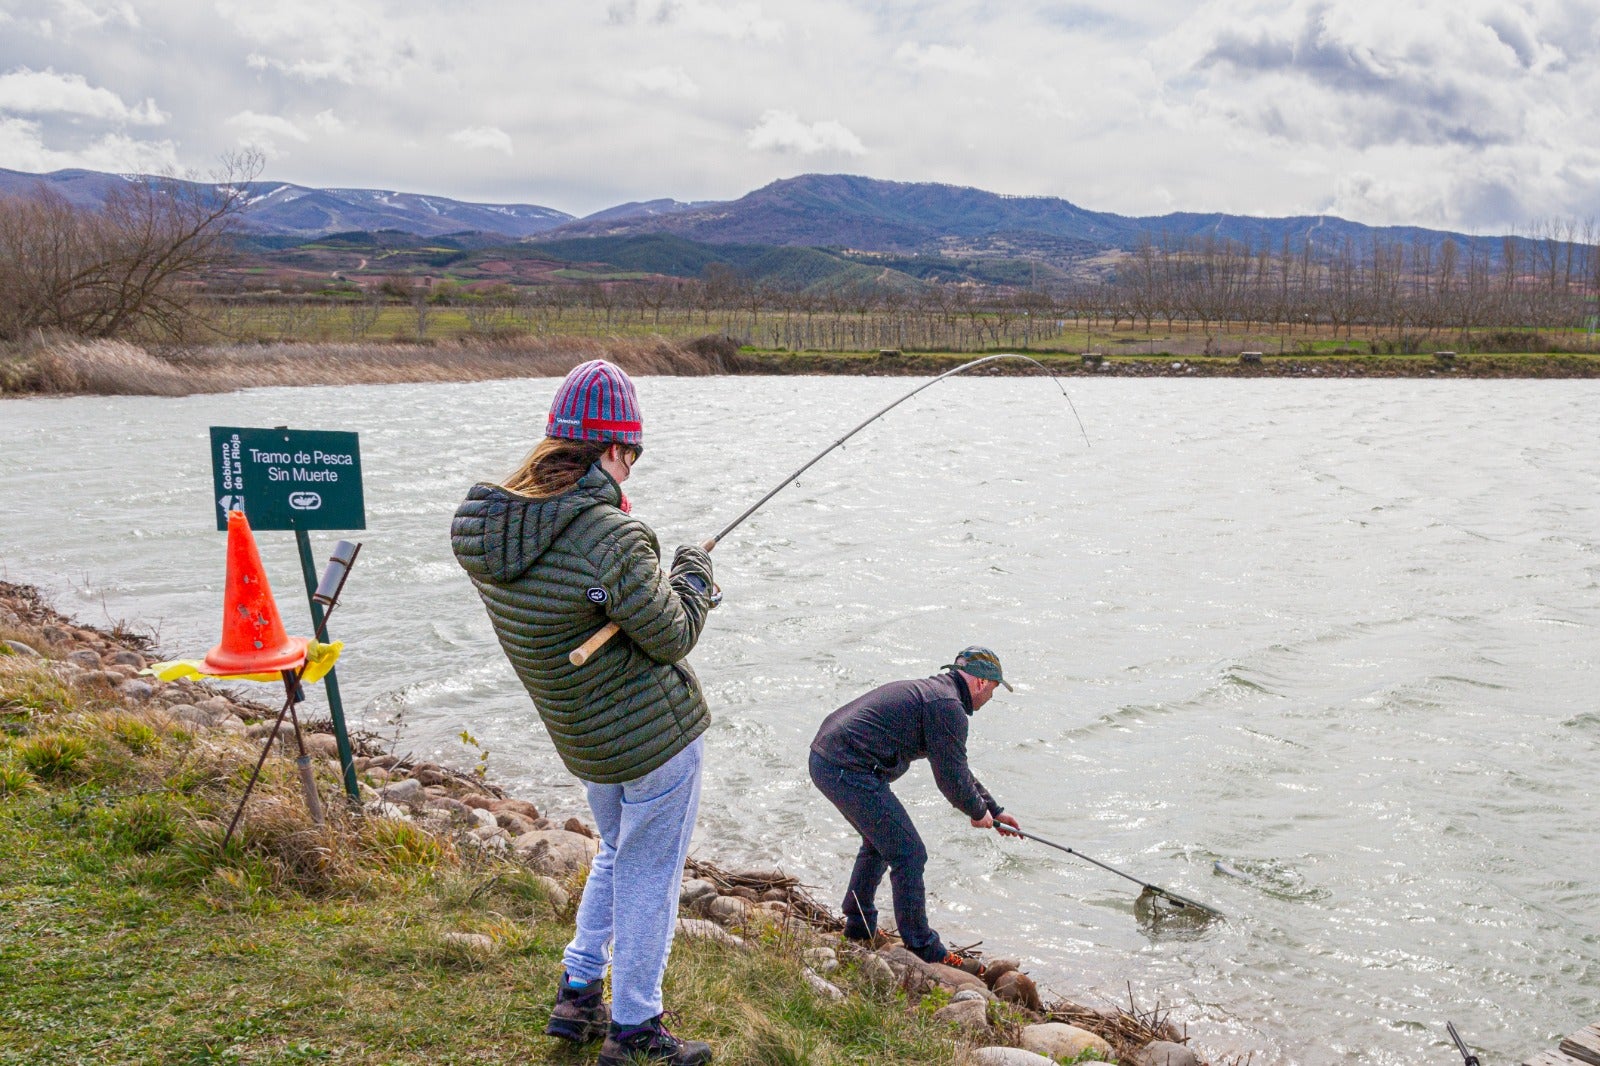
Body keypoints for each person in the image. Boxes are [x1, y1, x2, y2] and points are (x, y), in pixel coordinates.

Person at [452, 359, 717, 1066]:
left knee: (616, 852)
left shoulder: (491, 532)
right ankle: (635, 1029)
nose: (631, 466)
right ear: (609, 449)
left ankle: (577, 995)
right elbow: (673, 634)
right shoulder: (612, 538)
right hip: (654, 740)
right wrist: (693, 576)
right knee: (648, 875)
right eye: (631, 453)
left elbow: (586, 605)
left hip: (584, 738)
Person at [808, 646, 1021, 965]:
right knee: (909, 853)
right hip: (844, 765)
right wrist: (977, 813)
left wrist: (993, 808)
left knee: (881, 844)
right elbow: (950, 780)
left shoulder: (940, 697)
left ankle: (859, 927)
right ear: (979, 683)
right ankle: (923, 948)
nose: (990, 697)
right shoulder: (948, 706)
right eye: (992, 689)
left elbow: (957, 768)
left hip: (830, 757)